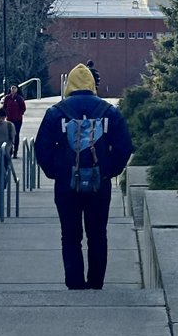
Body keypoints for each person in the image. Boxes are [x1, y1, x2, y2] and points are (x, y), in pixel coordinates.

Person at [35, 62, 133, 290]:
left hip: (66, 185)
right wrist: (109, 171)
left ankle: (75, 284)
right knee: (98, 234)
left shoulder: (56, 113)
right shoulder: (109, 112)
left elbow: (42, 149)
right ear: (91, 84)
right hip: (100, 184)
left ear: (69, 84)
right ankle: (96, 283)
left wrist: (56, 172)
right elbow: (124, 147)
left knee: (70, 236)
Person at [2, 84, 27, 157]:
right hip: (9, 119)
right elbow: (4, 107)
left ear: (17, 89)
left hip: (17, 120)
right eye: (12, 88)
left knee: (16, 135)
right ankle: (10, 150)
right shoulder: (7, 98)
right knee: (9, 135)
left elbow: (23, 108)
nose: (13, 90)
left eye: (14, 88)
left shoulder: (19, 98)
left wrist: (20, 113)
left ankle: (15, 151)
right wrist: (6, 114)